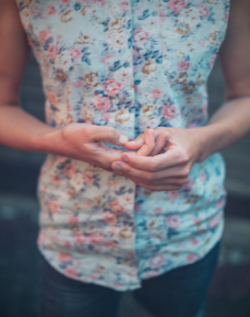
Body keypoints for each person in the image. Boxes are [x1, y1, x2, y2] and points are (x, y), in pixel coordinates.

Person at [1, 0, 250, 316]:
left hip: (187, 227)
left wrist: (199, 143)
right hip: (76, 228)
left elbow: (245, 94)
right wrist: (56, 141)